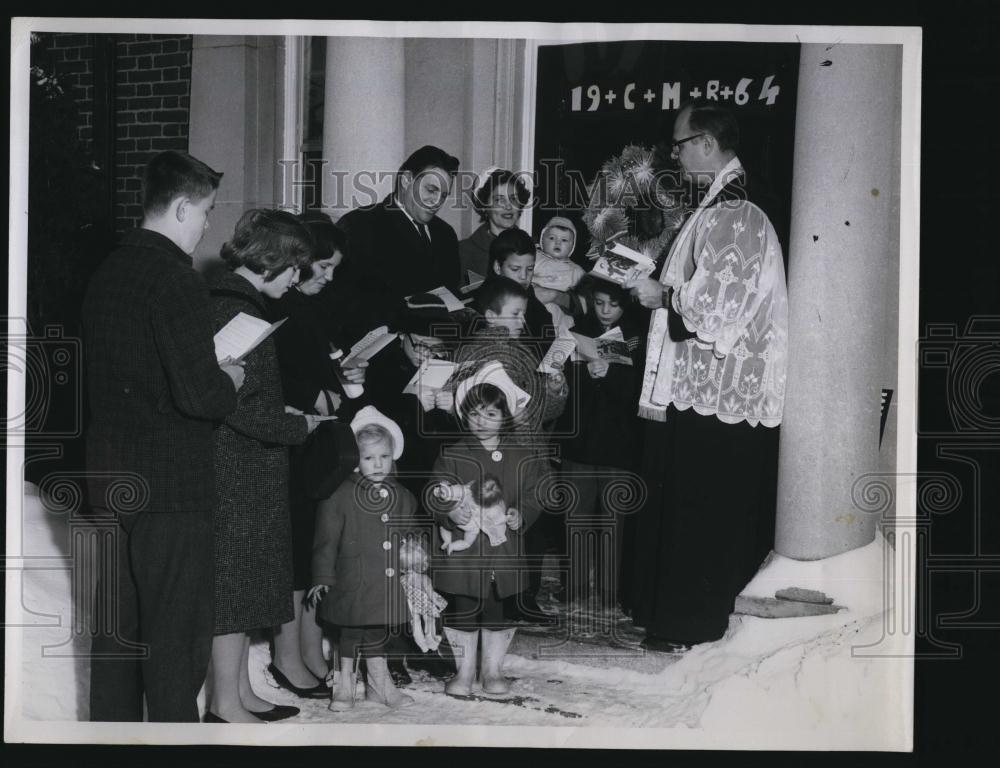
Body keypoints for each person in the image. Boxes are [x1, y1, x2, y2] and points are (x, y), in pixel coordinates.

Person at [83, 151, 244, 723]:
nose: (207, 225)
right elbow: (200, 398)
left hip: (108, 479)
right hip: (171, 487)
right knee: (175, 644)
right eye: (206, 211)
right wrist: (229, 379)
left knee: (116, 639)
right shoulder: (178, 280)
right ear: (180, 208)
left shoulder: (106, 271)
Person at [626, 99, 788, 652]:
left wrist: (661, 295)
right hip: (703, 383)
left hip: (721, 386)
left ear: (707, 144)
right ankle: (679, 620)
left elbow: (720, 307)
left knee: (704, 508)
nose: (674, 155)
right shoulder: (721, 205)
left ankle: (693, 626)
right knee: (693, 504)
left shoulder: (737, 209)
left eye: (679, 144)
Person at [205, 209, 324, 723]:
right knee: (234, 590)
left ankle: (240, 692)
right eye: (295, 266)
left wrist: (283, 411)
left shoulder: (235, 300)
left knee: (245, 586)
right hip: (236, 469)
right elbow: (236, 405)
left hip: (244, 466)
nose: (298, 277)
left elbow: (243, 393)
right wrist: (299, 425)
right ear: (271, 259)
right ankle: (225, 705)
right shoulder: (236, 309)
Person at [267, 212, 364, 698]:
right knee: (294, 554)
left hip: (311, 443)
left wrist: (342, 377)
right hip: (289, 443)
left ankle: (309, 650)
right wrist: (315, 394)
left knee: (311, 551)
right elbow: (270, 375)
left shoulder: (307, 305)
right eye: (323, 267)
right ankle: (287, 656)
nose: (328, 277)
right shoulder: (278, 305)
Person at [427, 367, 551, 695]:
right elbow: (434, 492)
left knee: (497, 610)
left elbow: (535, 493)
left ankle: (492, 670)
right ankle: (464, 672)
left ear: (506, 417)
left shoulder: (521, 456)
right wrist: (449, 509)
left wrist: (521, 514)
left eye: (491, 414)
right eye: (474, 414)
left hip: (502, 549)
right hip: (466, 552)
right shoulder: (453, 454)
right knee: (464, 608)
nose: (481, 421)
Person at [310, 406, 424, 710]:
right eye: (369, 458)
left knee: (377, 632)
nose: (378, 464)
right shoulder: (339, 495)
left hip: (383, 582)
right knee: (348, 633)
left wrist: (415, 552)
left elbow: (410, 530)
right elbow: (326, 541)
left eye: (384, 456)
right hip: (352, 579)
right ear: (355, 461)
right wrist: (322, 577)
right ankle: (343, 686)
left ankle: (378, 686)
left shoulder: (402, 495)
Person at [554, 278, 646, 611]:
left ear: (626, 304)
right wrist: (579, 375)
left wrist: (611, 375)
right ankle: (574, 585)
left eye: (614, 304)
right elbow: (561, 381)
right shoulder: (577, 330)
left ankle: (610, 590)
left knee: (613, 521)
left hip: (618, 445)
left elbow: (640, 391)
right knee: (575, 517)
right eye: (599, 303)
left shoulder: (637, 336)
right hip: (580, 443)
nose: (605, 311)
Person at [326, 145, 461, 343]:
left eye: (443, 196)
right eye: (431, 190)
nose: (436, 202)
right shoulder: (359, 226)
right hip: (381, 353)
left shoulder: (446, 234)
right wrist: (404, 334)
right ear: (406, 180)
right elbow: (343, 305)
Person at [485, 228, 558, 347]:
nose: (524, 276)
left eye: (530, 269)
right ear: (497, 267)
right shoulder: (476, 306)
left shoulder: (540, 314)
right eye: (515, 269)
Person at [459, 167, 531, 282]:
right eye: (499, 200)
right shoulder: (464, 251)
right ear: (484, 206)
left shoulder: (531, 248)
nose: (508, 206)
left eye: (513, 199)